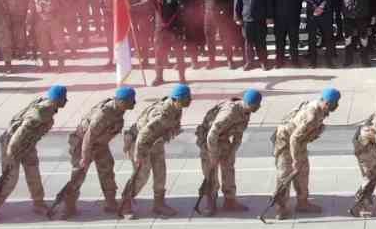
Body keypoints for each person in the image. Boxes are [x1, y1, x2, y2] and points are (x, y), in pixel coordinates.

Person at [0, 84, 68, 223]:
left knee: (33, 172)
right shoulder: (43, 111)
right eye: (64, 98)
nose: (66, 101)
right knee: (10, 179)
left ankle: (38, 203)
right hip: (13, 143)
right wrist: (10, 153)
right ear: (59, 99)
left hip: (27, 144)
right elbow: (21, 131)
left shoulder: (48, 107)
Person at [57, 86, 137, 218]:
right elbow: (89, 136)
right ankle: (69, 207)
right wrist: (85, 157)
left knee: (107, 169)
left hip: (100, 144)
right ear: (122, 101)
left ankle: (110, 202)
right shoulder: (104, 114)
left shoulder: (118, 109)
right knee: (78, 175)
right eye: (131, 101)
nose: (134, 103)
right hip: (83, 144)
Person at [118, 84, 194, 218]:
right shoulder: (161, 114)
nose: (189, 101)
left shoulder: (177, 108)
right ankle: (125, 205)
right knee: (141, 175)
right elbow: (142, 134)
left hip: (155, 143)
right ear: (177, 99)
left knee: (161, 172)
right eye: (186, 98)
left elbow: (173, 127)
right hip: (140, 144)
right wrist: (138, 156)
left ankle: (159, 204)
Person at [269, 88, 340, 219]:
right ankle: (281, 207)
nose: (335, 106)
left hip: (299, 141)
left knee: (303, 171)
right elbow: (294, 138)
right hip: (285, 141)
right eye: (334, 103)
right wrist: (296, 160)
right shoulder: (312, 115)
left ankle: (302, 203)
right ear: (327, 102)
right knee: (285, 174)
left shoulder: (320, 108)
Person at [196, 88, 262, 215]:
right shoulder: (229, 112)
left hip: (223, 138)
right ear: (251, 104)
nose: (259, 107)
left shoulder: (246, 112)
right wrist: (213, 154)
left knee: (228, 167)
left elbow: (238, 135)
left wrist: (232, 151)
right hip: (208, 140)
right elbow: (212, 134)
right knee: (211, 171)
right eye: (258, 105)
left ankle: (230, 200)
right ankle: (211, 202)